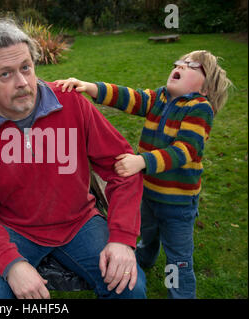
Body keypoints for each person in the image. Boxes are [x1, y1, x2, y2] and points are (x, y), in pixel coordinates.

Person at [0, 19, 147, 299]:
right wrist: (11, 264)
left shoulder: (71, 103)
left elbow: (123, 166)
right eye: (5, 74)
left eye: (25, 68)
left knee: (131, 287)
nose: (22, 83)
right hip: (14, 230)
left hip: (80, 222)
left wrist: (121, 239)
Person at [55, 50, 232, 298]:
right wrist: (90, 87)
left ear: (206, 87)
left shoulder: (199, 108)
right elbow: (130, 97)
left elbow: (186, 151)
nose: (179, 65)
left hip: (177, 203)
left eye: (192, 65)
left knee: (178, 255)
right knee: (147, 233)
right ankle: (145, 258)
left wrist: (142, 161)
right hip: (149, 192)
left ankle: (181, 293)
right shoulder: (160, 98)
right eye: (179, 62)